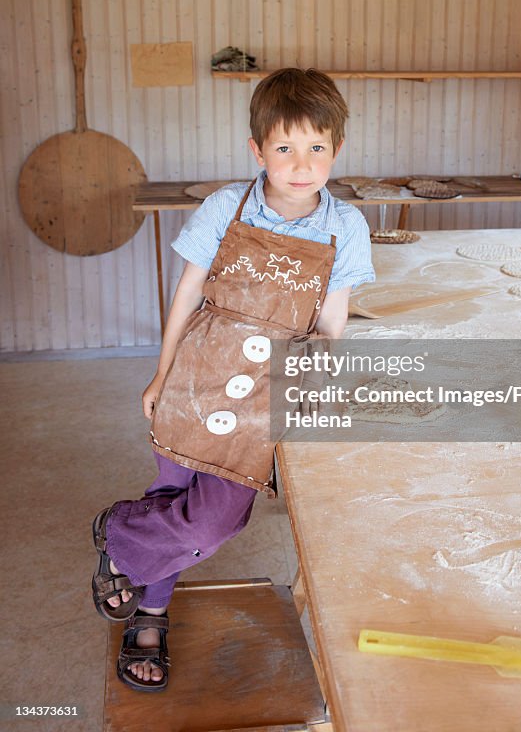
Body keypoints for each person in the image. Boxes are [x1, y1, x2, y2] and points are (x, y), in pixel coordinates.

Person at [91, 68, 375, 691]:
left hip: (263, 393)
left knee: (214, 520)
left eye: (316, 148)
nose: (301, 165)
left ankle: (117, 536)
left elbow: (331, 325)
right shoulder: (228, 206)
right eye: (284, 148)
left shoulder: (345, 226)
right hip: (198, 373)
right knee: (172, 498)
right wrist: (161, 374)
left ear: (337, 149)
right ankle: (151, 611)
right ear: (257, 150)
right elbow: (187, 292)